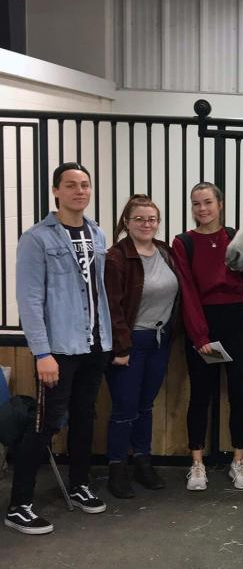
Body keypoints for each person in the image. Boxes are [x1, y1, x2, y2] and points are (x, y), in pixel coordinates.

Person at [6, 162, 112, 535]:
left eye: (85, 184)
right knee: (46, 423)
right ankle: (19, 504)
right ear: (56, 191)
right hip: (59, 349)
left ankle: (80, 485)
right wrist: (42, 353)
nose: (79, 191)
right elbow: (30, 300)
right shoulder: (37, 238)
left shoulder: (97, 233)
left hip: (94, 345)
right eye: (71, 185)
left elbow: (98, 292)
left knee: (85, 417)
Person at [171, 182, 243, 492]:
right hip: (203, 324)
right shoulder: (183, 242)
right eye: (196, 203)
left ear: (220, 204)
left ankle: (238, 460)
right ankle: (197, 463)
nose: (202, 209)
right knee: (201, 394)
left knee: (240, 393)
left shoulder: (235, 237)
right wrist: (200, 335)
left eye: (208, 202)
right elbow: (187, 291)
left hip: (237, 320)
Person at [103, 194, 180, 499]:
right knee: (124, 409)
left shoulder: (164, 251)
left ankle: (142, 462)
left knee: (145, 406)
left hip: (159, 342)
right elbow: (112, 307)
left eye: (152, 219)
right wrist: (121, 348)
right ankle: (117, 467)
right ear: (126, 222)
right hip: (130, 343)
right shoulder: (117, 257)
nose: (147, 224)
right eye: (139, 219)